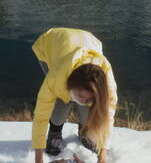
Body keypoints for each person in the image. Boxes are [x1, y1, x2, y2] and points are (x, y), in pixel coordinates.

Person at [31, 27, 118, 163]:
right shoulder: (56, 78)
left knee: (87, 107)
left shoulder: (107, 86)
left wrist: (102, 156)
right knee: (62, 101)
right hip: (52, 44)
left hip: (89, 40)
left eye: (90, 98)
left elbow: (107, 117)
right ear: (71, 86)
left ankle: (84, 131)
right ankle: (55, 132)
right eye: (82, 96)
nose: (85, 101)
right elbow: (41, 115)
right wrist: (38, 159)